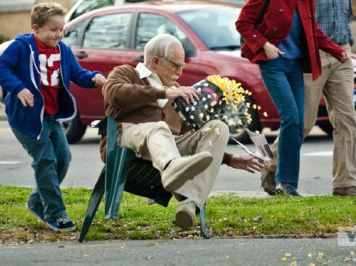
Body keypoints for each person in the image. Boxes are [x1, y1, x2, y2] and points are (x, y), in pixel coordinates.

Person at [101, 33, 263, 230]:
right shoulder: (127, 73)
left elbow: (188, 135)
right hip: (126, 141)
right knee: (159, 128)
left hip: (167, 146)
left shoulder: (176, 90)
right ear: (154, 61)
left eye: (182, 66)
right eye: (175, 65)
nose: (179, 71)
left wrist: (228, 158)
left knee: (218, 127)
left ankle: (189, 202)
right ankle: (171, 167)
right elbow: (113, 92)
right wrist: (163, 93)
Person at [261, 0, 356, 198]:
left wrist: (344, 48)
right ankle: (272, 169)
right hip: (311, 56)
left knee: (347, 119)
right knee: (303, 121)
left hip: (340, 54)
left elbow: (344, 17)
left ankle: (345, 184)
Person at [236, 0, 348, 197]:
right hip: (273, 64)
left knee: (297, 125)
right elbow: (243, 22)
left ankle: (284, 182)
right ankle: (285, 184)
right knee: (291, 118)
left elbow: (313, 31)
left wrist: (337, 50)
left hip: (296, 65)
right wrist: (265, 45)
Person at [0, 2, 106, 232]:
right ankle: (55, 213)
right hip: (27, 118)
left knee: (63, 159)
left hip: (52, 117)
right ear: (36, 28)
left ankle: (36, 202)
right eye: (53, 30)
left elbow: (77, 74)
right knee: (45, 160)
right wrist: (18, 88)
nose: (58, 34)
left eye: (61, 29)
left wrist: (95, 77)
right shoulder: (21, 47)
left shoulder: (62, 50)